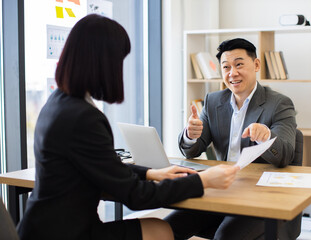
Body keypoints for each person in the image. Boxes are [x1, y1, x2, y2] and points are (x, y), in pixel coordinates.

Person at [16, 14, 240, 240]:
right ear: (103, 62)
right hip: (68, 233)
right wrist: (203, 180)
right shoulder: (82, 117)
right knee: (160, 230)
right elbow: (135, 196)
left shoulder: (57, 103)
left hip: (44, 226)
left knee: (160, 226)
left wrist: (152, 173)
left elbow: (105, 167)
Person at [164, 38, 301, 239]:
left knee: (226, 236)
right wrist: (190, 135)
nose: (232, 73)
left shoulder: (279, 104)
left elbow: (286, 154)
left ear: (255, 65)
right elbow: (192, 150)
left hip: (258, 197)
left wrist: (267, 137)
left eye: (239, 65)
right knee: (167, 227)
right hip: (219, 190)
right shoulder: (212, 101)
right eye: (226, 67)